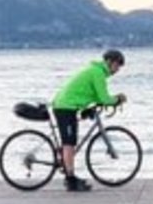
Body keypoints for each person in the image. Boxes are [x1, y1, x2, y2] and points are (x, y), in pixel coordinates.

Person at [50, 49, 127, 192]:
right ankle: (70, 180)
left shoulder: (96, 71)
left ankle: (67, 168)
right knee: (69, 144)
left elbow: (97, 96)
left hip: (68, 105)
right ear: (109, 62)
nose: (118, 70)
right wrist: (118, 99)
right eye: (117, 65)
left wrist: (96, 105)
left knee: (70, 142)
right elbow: (104, 98)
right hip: (65, 107)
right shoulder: (98, 73)